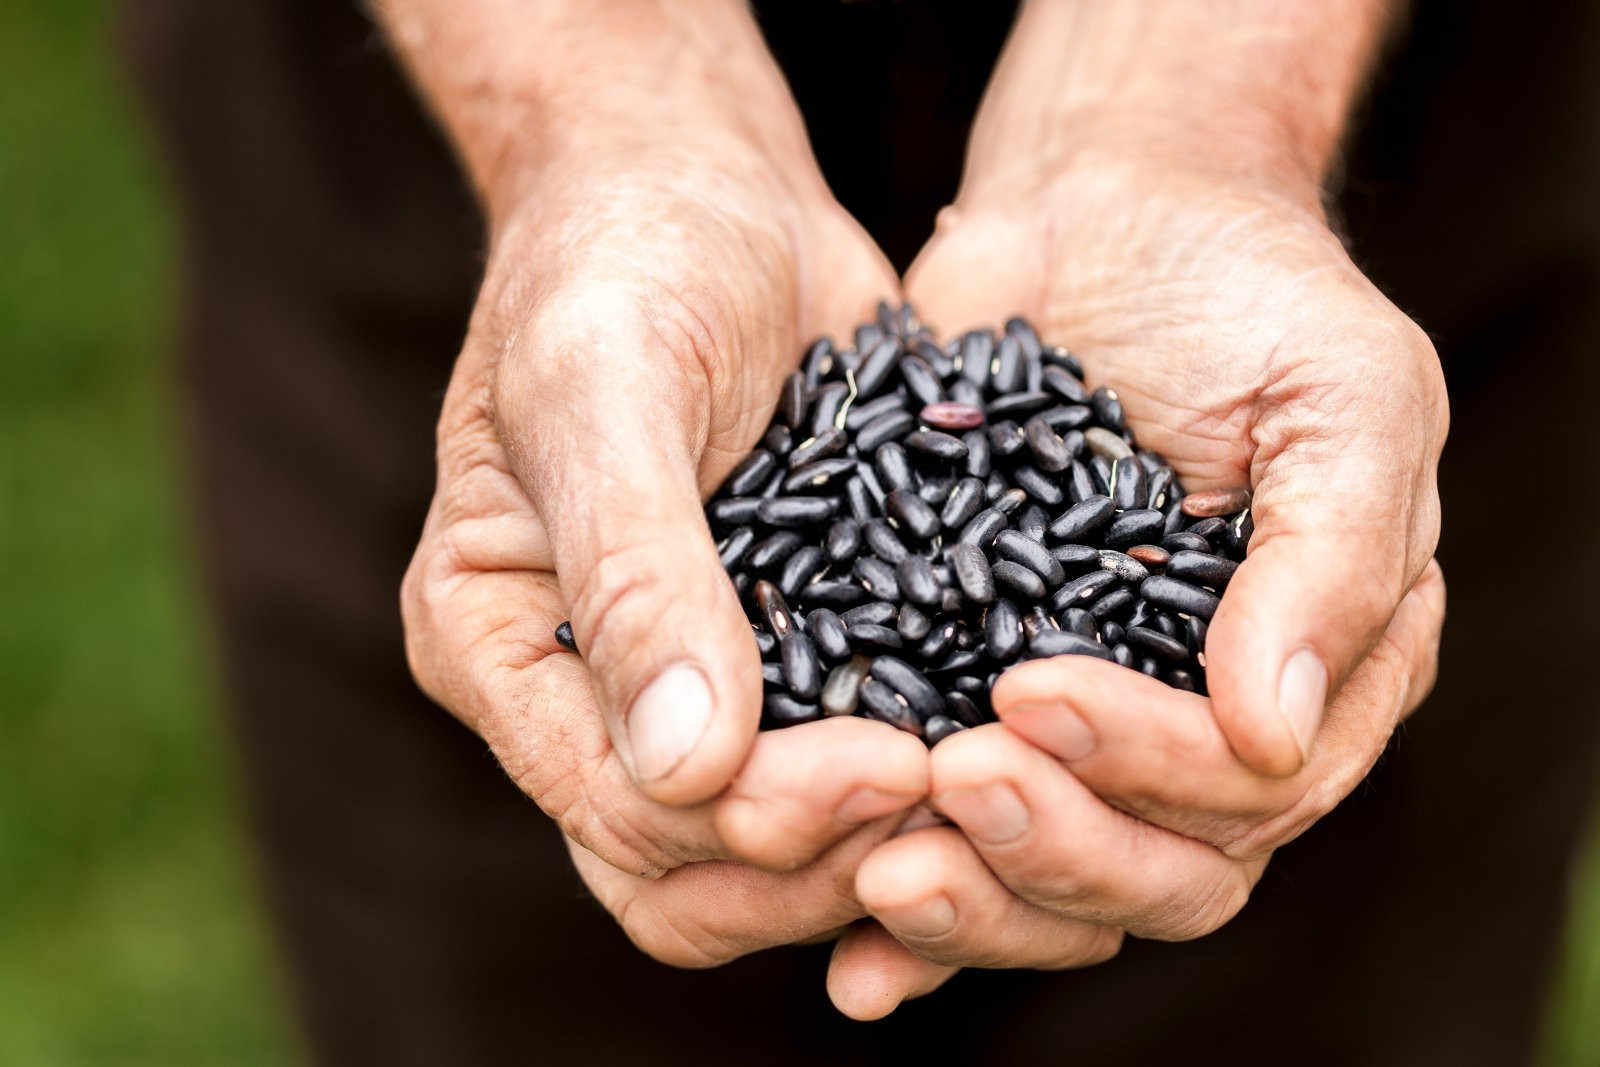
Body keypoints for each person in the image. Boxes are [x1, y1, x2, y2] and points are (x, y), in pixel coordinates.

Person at [124, 1, 1599, 1063]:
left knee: (1319, 987)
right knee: (511, 941)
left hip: (1385, 159)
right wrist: (598, 101)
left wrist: (1204, 89)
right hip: (469, 212)